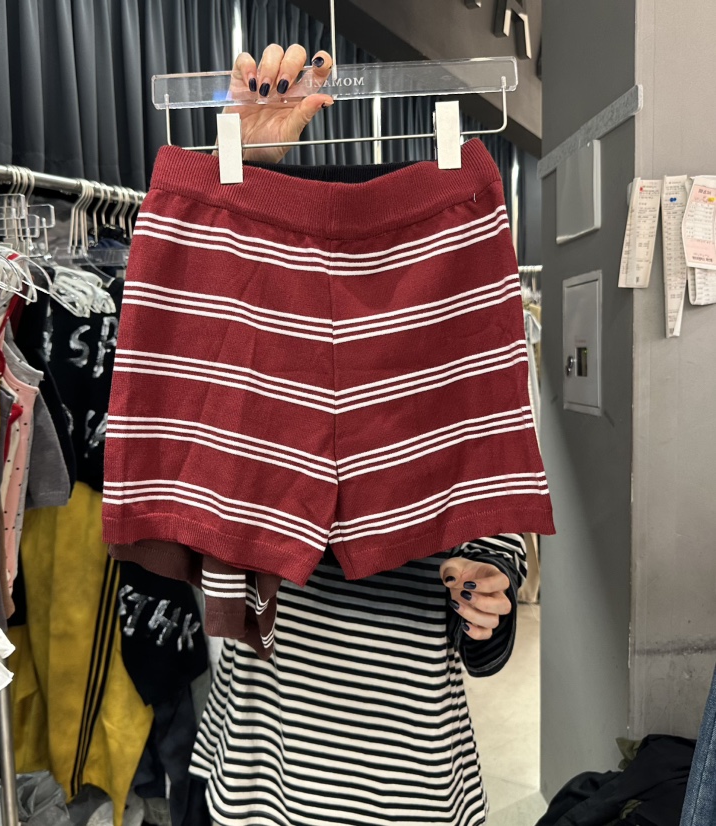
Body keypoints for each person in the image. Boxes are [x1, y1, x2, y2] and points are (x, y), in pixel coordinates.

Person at [185, 45, 531, 826]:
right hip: (260, 760)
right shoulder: (255, 349)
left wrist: (485, 600)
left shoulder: (460, 353)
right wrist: (243, 176)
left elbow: (488, 618)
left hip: (404, 776)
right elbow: (195, 517)